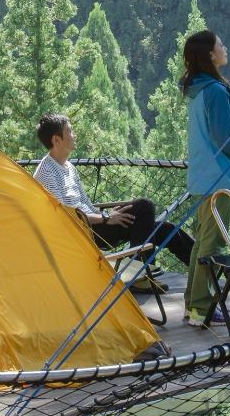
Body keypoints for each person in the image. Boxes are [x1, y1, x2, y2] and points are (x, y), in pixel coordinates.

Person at [32, 114, 195, 292]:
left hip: (95, 223)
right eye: (70, 131)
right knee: (144, 206)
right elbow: (65, 216)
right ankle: (140, 275)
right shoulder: (46, 173)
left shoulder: (69, 167)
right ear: (56, 140)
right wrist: (105, 218)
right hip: (82, 233)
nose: (74, 134)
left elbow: (86, 204)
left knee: (164, 228)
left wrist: (108, 215)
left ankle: (203, 265)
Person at [180, 29, 230, 328]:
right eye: (221, 44)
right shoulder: (217, 92)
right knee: (212, 244)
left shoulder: (197, 91)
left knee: (201, 242)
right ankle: (202, 307)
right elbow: (225, 139)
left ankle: (193, 303)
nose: (225, 47)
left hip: (201, 177)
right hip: (218, 178)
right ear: (211, 54)